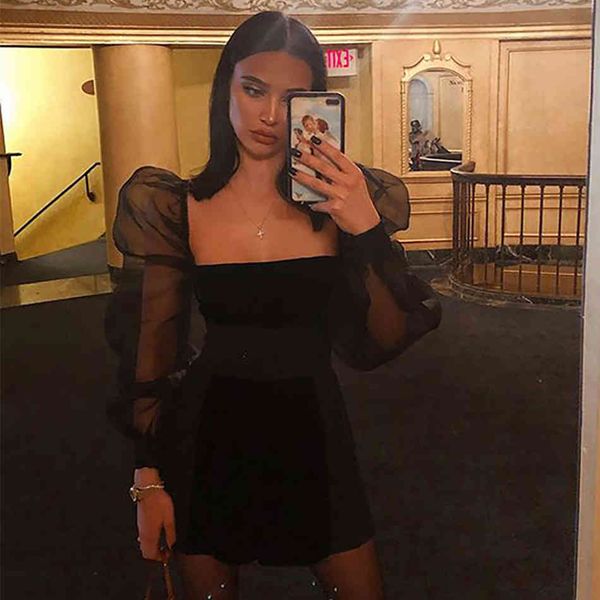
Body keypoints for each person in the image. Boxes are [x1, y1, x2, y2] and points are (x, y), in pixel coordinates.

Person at [105, 11, 441, 600]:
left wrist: (364, 228)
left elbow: (384, 338)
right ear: (225, 89)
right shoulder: (177, 207)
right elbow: (150, 357)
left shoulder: (339, 205)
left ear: (316, 106)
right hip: (209, 435)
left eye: (292, 99)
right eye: (254, 89)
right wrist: (148, 481)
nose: (269, 116)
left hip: (314, 431)